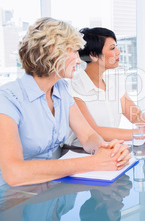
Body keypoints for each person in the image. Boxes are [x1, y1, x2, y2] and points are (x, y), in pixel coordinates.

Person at [0, 17, 131, 187]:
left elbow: (88, 135)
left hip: (57, 192)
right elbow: (14, 173)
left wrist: (105, 150)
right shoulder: (8, 98)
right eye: (75, 52)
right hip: (17, 198)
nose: (78, 60)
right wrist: (94, 162)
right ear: (54, 50)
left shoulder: (61, 88)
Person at [65, 27, 145, 146]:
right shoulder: (74, 87)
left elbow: (136, 115)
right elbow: (93, 131)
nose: (118, 52)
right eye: (112, 48)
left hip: (110, 150)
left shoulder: (113, 82)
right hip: (79, 152)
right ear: (93, 55)